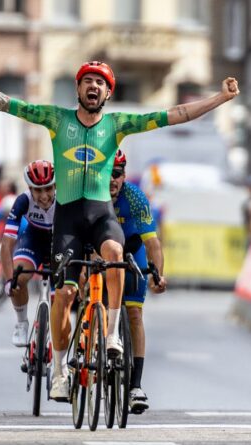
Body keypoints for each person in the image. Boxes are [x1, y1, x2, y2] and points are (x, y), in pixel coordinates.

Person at [0, 56, 239, 401]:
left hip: (100, 215)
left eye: (101, 83)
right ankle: (58, 372)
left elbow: (175, 115)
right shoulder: (57, 119)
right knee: (64, 294)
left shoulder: (118, 123)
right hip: (68, 219)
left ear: (108, 93)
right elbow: (6, 104)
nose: (94, 87)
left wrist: (220, 99)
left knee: (114, 255)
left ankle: (111, 335)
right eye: (88, 81)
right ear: (78, 88)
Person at [109, 149, 166, 414]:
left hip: (132, 252)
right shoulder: (92, 194)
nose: (112, 180)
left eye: (117, 174)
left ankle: (135, 386)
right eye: (107, 173)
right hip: (101, 251)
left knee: (134, 314)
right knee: (91, 296)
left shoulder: (134, 196)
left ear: (124, 174)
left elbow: (152, 243)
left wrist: (158, 275)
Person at [1, 160, 56, 347]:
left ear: (55, 185)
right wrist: (10, 281)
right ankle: (21, 323)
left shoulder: (65, 199)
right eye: (37, 190)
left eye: (48, 189)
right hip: (34, 239)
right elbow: (6, 245)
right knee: (18, 276)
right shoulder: (23, 201)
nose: (44, 196)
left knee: (62, 299)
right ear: (29, 189)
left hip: (59, 242)